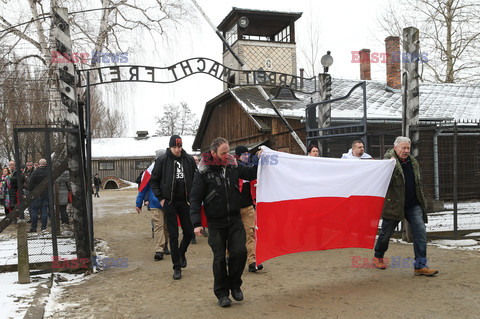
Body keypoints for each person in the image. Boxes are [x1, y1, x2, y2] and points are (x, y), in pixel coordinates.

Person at [190, 137, 259, 307]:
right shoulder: (203, 171)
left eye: (228, 151)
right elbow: (195, 197)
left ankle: (235, 286)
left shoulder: (234, 165)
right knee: (219, 258)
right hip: (215, 222)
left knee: (240, 252)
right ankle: (222, 293)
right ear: (213, 153)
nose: (228, 155)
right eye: (223, 153)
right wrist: (196, 223)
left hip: (235, 219)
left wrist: (261, 161)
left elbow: (251, 173)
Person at [373, 136, 438, 276]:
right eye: (404, 148)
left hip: (413, 204)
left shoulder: (413, 162)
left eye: (408, 148)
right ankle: (378, 256)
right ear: (395, 148)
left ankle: (420, 266)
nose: (406, 151)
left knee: (420, 232)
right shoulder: (387, 163)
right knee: (386, 234)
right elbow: (380, 181)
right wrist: (388, 168)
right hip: (394, 204)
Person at [149, 135, 196, 280]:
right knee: (174, 235)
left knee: (189, 232)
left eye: (179, 147)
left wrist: (194, 197)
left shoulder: (188, 159)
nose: (177, 149)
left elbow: (197, 178)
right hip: (169, 202)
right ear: (170, 147)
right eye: (175, 147)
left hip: (185, 202)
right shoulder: (162, 160)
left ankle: (181, 254)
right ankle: (176, 266)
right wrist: (161, 199)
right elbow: (154, 181)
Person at [235, 145, 263, 273]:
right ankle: (229, 257)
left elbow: (256, 173)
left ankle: (252, 261)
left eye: (248, 154)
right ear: (238, 156)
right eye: (244, 154)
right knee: (232, 236)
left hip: (248, 207)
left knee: (250, 234)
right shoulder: (234, 169)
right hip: (234, 209)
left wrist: (259, 158)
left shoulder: (249, 168)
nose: (247, 156)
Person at [136, 181, 170, 261]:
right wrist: (139, 203)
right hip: (155, 205)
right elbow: (143, 188)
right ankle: (159, 250)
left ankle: (165, 245)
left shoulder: (170, 170)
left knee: (166, 227)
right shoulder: (150, 173)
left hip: (168, 203)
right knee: (158, 226)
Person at [28, 158, 49, 233]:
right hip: (45, 194)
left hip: (36, 195)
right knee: (44, 210)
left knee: (34, 210)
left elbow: (30, 184)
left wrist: (32, 191)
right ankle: (43, 227)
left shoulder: (35, 172)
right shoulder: (48, 172)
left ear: (39, 164)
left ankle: (33, 227)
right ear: (46, 164)